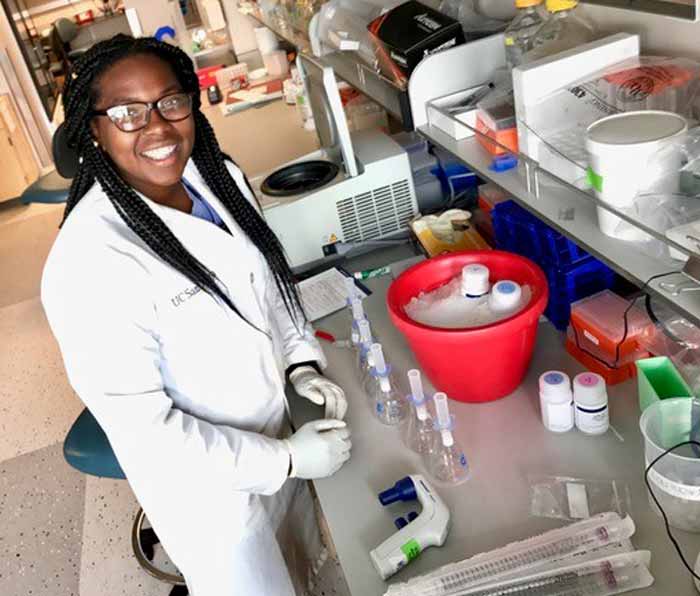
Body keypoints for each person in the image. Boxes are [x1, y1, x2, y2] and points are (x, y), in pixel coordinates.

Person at [42, 35, 352, 595]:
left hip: (281, 432)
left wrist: (300, 360)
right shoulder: (87, 262)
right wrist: (282, 461)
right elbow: (148, 435)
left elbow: (267, 283)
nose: (157, 127)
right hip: (214, 495)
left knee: (308, 569)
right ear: (93, 129)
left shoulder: (216, 177)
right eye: (127, 113)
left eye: (170, 101)